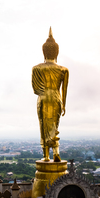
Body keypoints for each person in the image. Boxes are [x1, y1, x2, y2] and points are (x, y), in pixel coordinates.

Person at [32, 27, 69, 162]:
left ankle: (46, 155)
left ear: (44, 52)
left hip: (43, 98)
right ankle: (56, 152)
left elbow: (35, 89)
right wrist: (64, 105)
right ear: (56, 52)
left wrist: (44, 92)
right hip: (56, 98)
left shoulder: (37, 68)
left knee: (43, 126)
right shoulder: (63, 70)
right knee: (54, 126)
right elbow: (64, 90)